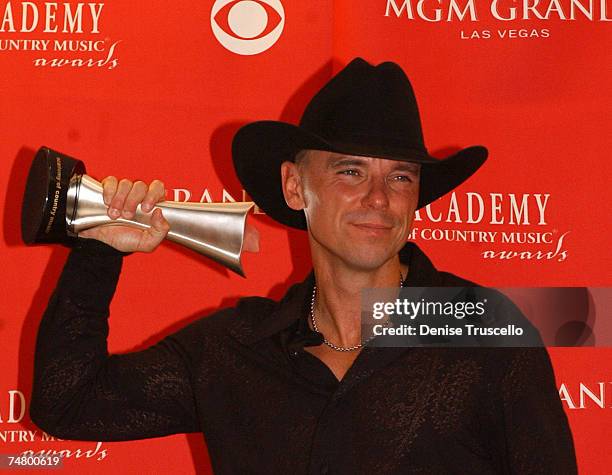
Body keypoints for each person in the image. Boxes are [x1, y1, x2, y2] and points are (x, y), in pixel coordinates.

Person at [30, 58, 577, 474]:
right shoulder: (235, 349)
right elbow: (69, 404)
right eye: (350, 171)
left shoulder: (483, 332)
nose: (379, 198)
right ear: (295, 186)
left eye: (401, 177)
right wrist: (99, 250)